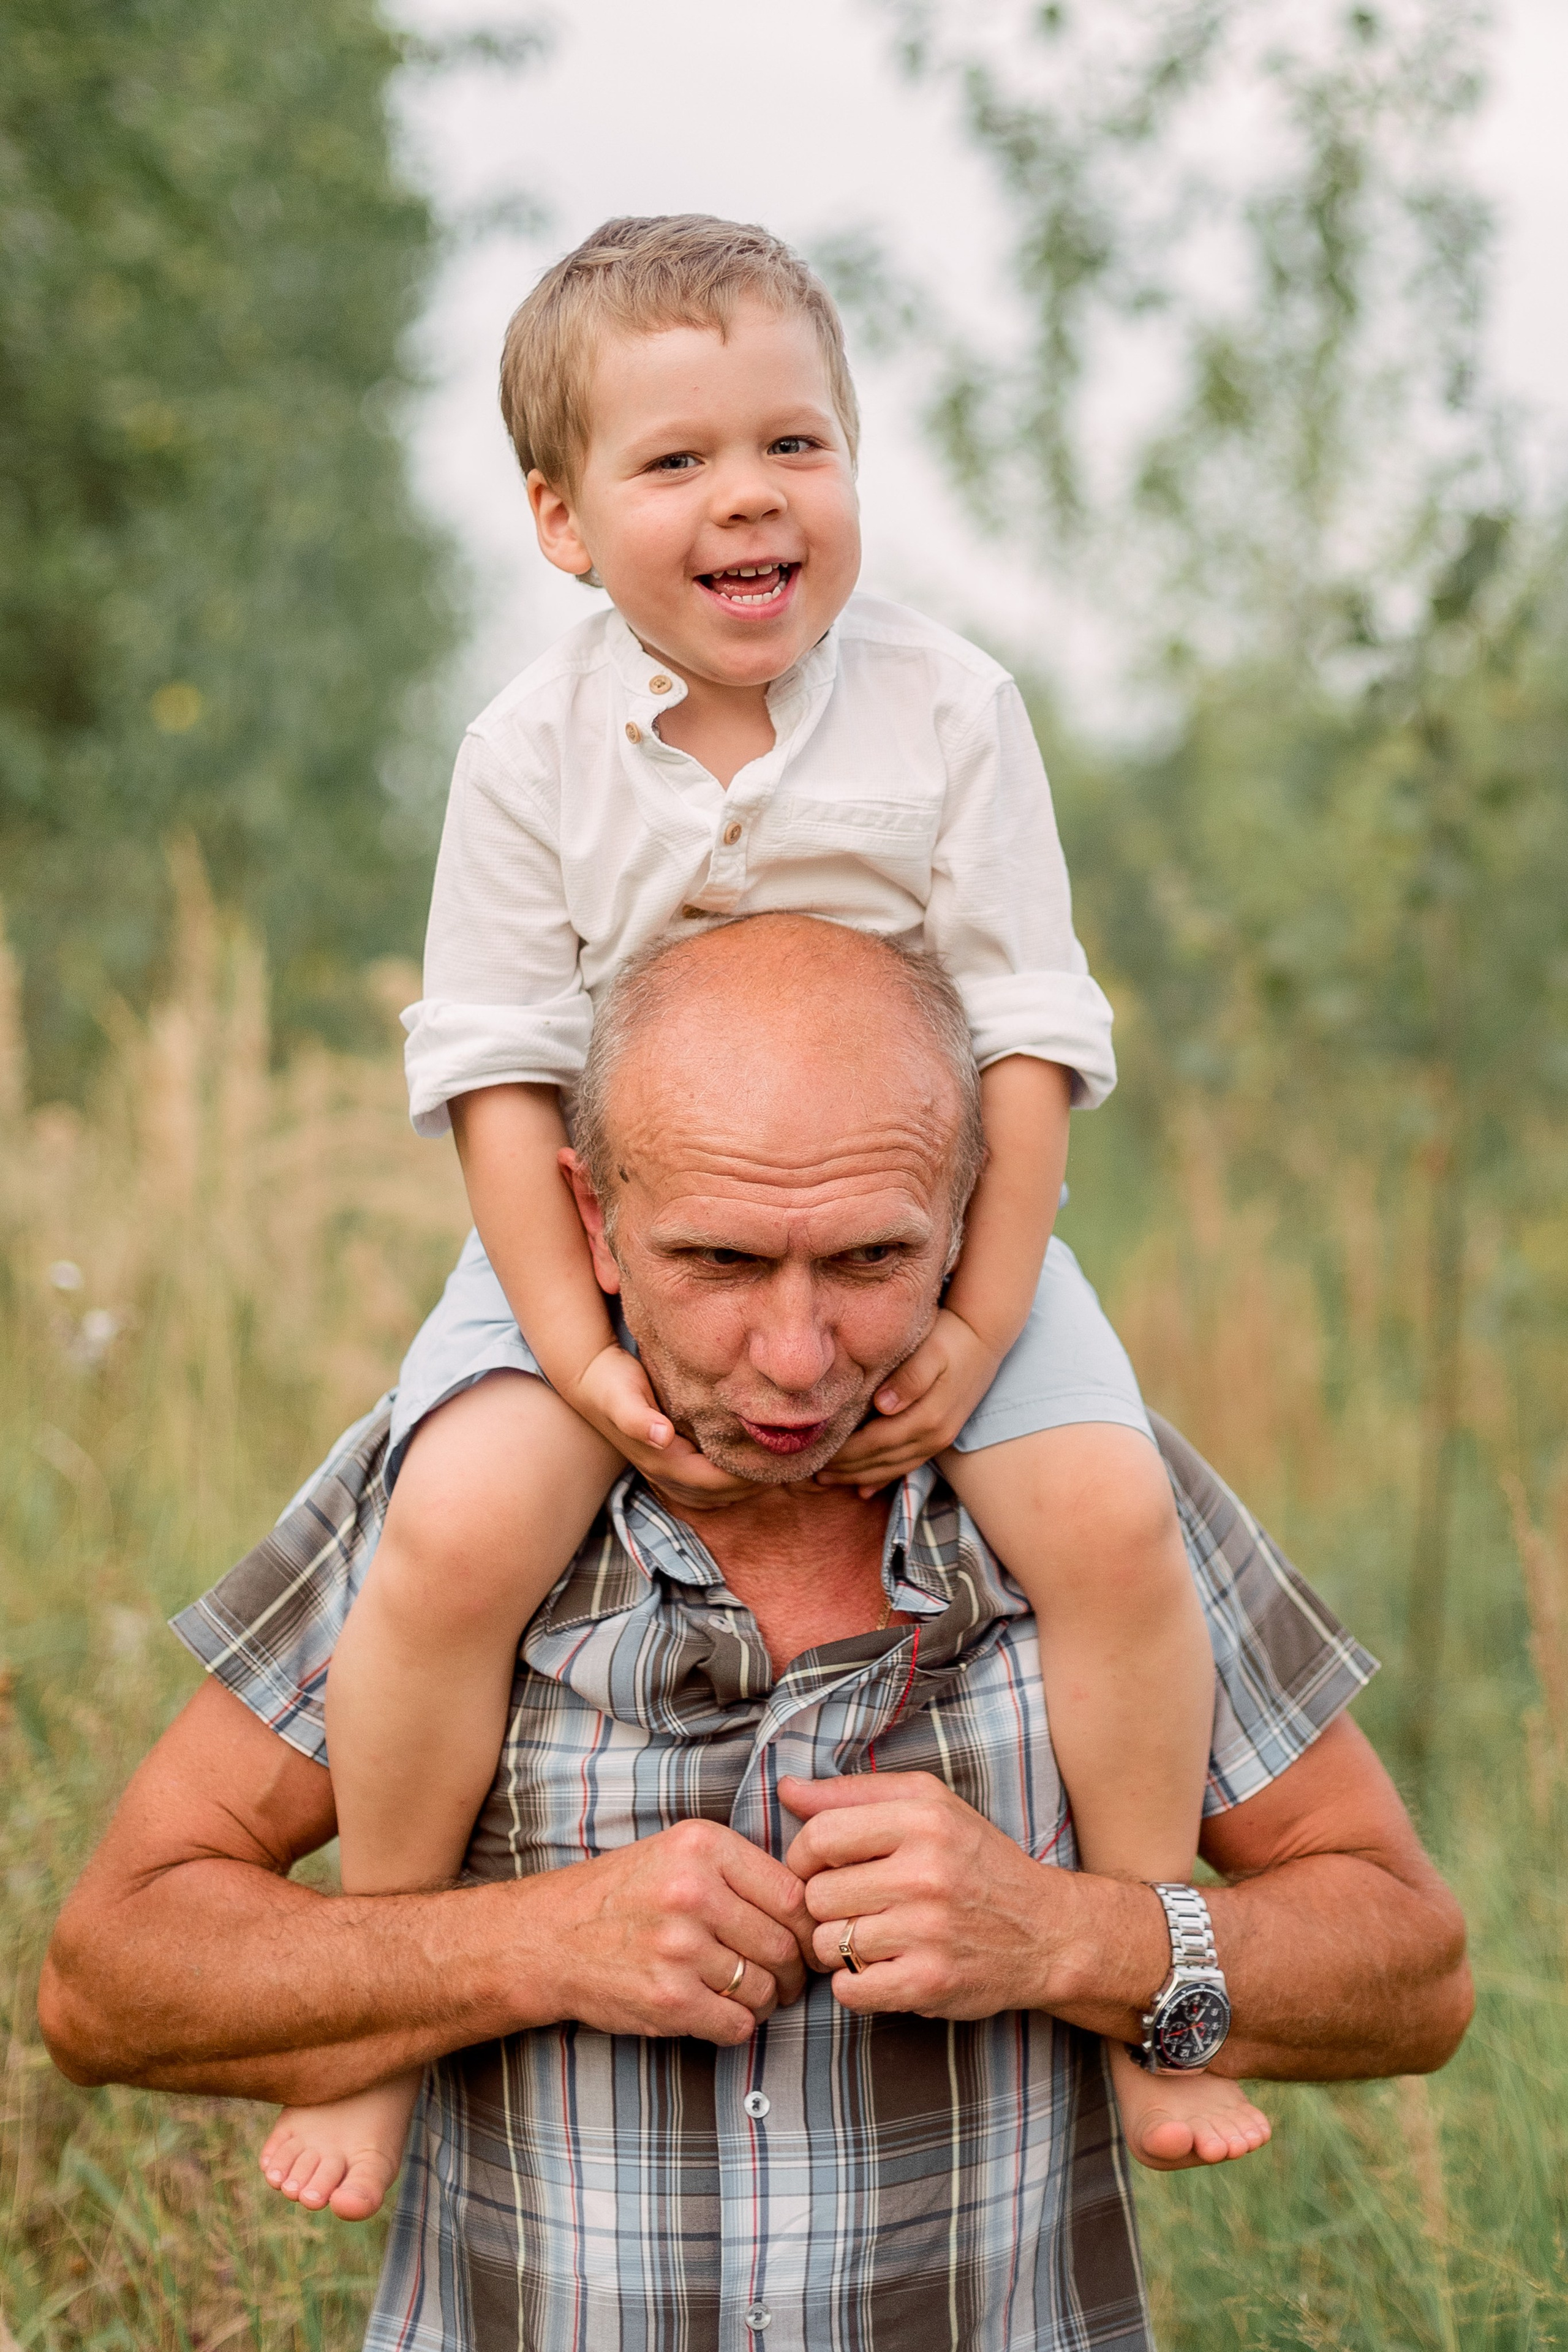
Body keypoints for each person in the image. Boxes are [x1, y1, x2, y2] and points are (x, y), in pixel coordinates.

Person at [41, 919, 1472, 2352]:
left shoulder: (1090, 1495)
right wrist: (533, 1948)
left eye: (867, 1260)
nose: (795, 1358)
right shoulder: (451, 1497)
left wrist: (1060, 1938)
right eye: (718, 1261)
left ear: (969, 1215)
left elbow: (1410, 1974)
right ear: (589, 1219)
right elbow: (111, 1983)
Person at [281, 209, 1230, 2207]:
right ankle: (366, 2006)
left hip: (926, 1233)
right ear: (560, 519)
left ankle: (1145, 1972)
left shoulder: (952, 709)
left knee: (1115, 1523)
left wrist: (978, 1321)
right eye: (679, 461)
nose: (751, 498)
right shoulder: (526, 751)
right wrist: (569, 1342)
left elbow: (1035, 1034)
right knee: (448, 1541)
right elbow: (495, 1061)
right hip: (590, 1232)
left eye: (797, 447)